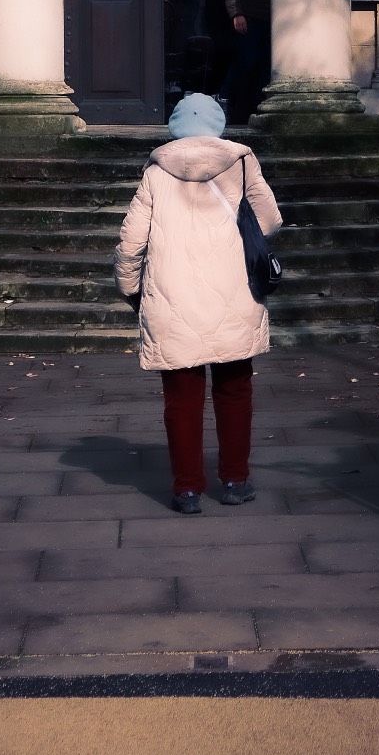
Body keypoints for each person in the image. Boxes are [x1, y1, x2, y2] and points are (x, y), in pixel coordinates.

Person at [114, 91, 282, 513]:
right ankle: (235, 480)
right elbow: (270, 219)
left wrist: (129, 287)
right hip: (234, 292)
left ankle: (187, 488)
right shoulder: (242, 161)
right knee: (234, 390)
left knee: (182, 397)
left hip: (173, 298)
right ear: (219, 124)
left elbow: (132, 240)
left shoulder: (156, 170)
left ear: (175, 127)